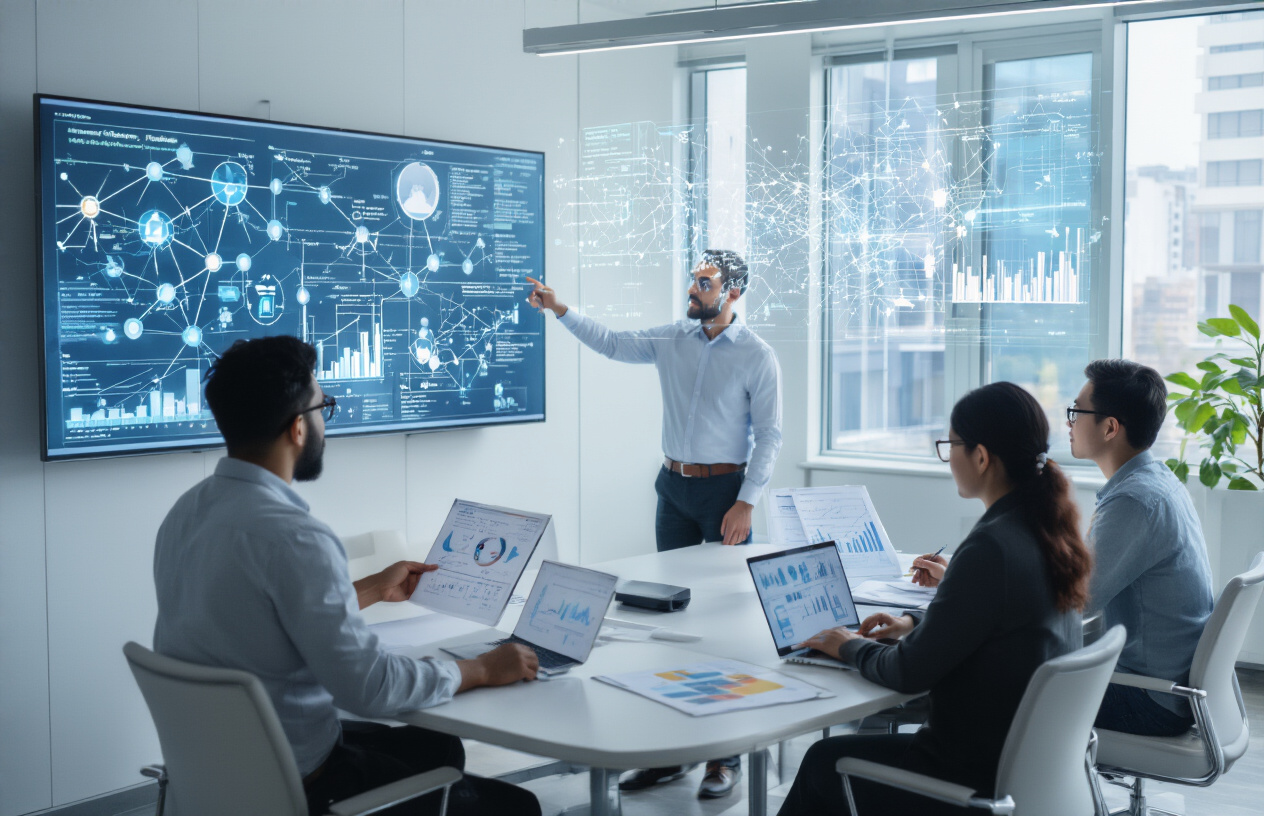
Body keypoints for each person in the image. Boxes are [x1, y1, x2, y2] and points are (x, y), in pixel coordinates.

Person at [152, 336, 541, 816]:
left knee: (439, 749)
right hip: (301, 784)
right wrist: (481, 669)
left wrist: (373, 588)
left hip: (221, 771)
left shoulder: (186, 513)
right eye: (323, 407)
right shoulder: (295, 537)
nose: (323, 421)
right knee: (517, 807)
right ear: (298, 428)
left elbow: (254, 621)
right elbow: (370, 687)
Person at [526, 249, 782, 798]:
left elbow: (771, 436)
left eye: (705, 283)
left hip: (724, 495)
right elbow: (614, 344)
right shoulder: (672, 339)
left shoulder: (757, 356)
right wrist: (560, 309)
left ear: (733, 292)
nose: (694, 290)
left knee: (723, 628)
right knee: (674, 619)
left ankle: (725, 757)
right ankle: (674, 754)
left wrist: (747, 501)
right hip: (673, 490)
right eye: (693, 280)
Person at [778, 382, 1092, 816]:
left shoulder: (992, 547)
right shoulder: (1046, 529)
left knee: (821, 761)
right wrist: (914, 623)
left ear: (981, 457)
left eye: (951, 446)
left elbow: (908, 672)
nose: (948, 459)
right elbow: (995, 623)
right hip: (1026, 766)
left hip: (968, 774)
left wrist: (846, 645)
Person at [1069, 359, 1214, 736]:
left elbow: (1073, 599)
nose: (1069, 422)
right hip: (1171, 687)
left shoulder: (1135, 502)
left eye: (1076, 411)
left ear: (1110, 427)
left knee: (1001, 683)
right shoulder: (1155, 479)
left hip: (1150, 699)